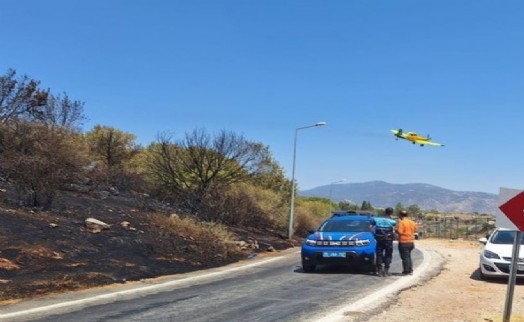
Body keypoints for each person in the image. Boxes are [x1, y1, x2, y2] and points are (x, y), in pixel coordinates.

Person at [372, 207, 397, 276]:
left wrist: (374, 235)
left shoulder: (376, 219)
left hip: (379, 239)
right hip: (388, 240)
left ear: (385, 212)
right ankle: (386, 270)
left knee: (379, 254)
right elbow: (395, 229)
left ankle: (379, 270)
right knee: (388, 254)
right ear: (391, 213)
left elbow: (371, 227)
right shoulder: (392, 221)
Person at [396, 210, 417, 275]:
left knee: (405, 257)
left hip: (403, 241)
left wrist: (396, 229)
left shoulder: (402, 223)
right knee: (408, 256)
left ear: (400, 215)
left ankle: (406, 271)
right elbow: (415, 230)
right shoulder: (412, 222)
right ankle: (410, 269)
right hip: (411, 242)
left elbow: (400, 232)